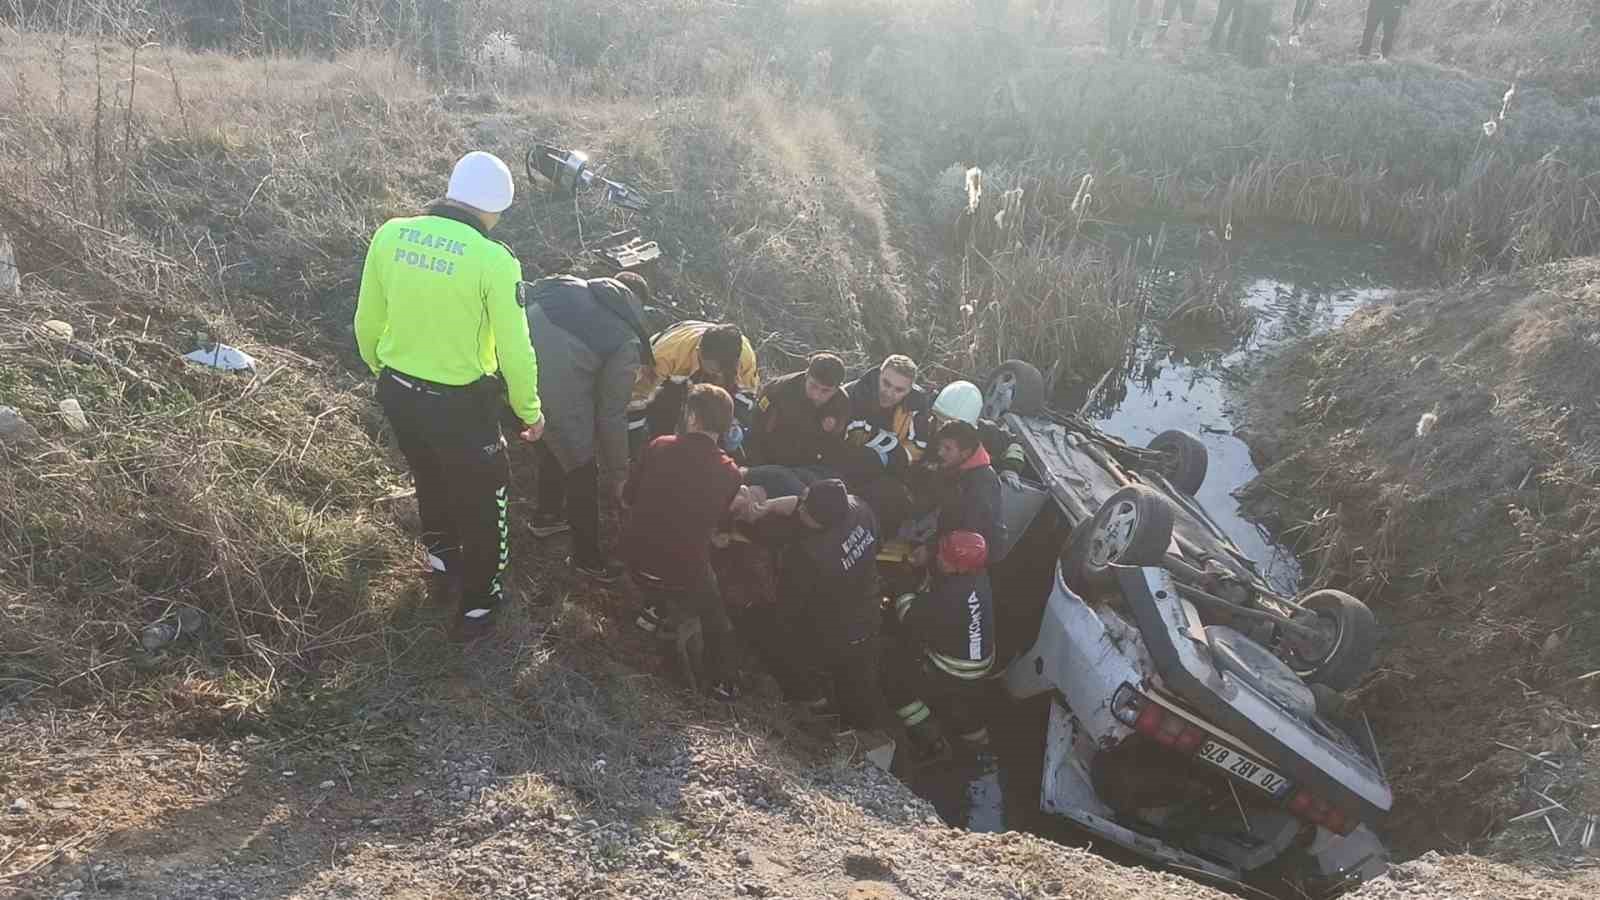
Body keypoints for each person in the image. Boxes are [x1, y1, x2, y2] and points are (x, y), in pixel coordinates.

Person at [354, 150, 540, 641]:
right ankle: (479, 603)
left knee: (430, 477)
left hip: (397, 390)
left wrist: (382, 368)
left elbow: (366, 320)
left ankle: (442, 564)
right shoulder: (494, 260)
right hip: (459, 405)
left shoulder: (391, 233)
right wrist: (529, 411)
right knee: (486, 500)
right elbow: (515, 349)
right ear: (497, 207)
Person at [525, 271, 655, 583]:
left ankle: (547, 515)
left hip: (508, 373)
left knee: (553, 439)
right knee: (583, 469)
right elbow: (611, 415)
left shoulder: (566, 285)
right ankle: (588, 559)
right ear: (637, 305)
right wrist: (618, 474)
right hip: (553, 390)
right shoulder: (625, 339)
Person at [621, 384, 746, 700]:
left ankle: (653, 608)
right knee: (717, 618)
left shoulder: (658, 445)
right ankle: (724, 681)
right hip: (683, 576)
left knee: (665, 537)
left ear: (690, 415)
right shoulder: (730, 473)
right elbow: (719, 528)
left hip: (633, 562)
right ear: (725, 424)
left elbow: (628, 497)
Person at [745, 479, 885, 731]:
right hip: (870, 605)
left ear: (822, 525)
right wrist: (770, 506)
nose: (800, 511)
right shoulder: (859, 508)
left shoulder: (813, 556)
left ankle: (830, 713)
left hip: (841, 627)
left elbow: (790, 605)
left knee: (849, 684)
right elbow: (810, 504)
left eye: (806, 513)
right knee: (860, 677)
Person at [830, 354, 934, 539]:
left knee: (895, 495)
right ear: (879, 374)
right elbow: (834, 444)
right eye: (886, 383)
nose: (889, 393)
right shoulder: (851, 395)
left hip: (888, 474)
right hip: (844, 469)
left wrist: (884, 457)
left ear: (909, 390)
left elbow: (918, 449)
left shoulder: (916, 407)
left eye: (899, 390)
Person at [629, 320, 759, 453]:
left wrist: (734, 423)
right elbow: (635, 398)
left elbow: (747, 394)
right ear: (699, 352)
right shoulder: (666, 356)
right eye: (713, 369)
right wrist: (634, 441)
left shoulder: (746, 357)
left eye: (723, 370)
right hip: (668, 383)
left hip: (695, 376)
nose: (718, 374)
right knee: (661, 422)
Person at [742, 352, 850, 499]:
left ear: (836, 389)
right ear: (806, 376)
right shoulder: (778, 391)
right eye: (813, 386)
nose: (817, 395)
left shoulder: (841, 404)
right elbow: (755, 433)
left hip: (807, 467)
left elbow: (835, 449)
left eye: (825, 391)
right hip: (770, 462)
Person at [929, 381, 1027, 478]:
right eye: (940, 421)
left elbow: (1014, 445)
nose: (943, 429)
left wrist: (1010, 469)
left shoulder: (987, 433)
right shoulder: (925, 426)